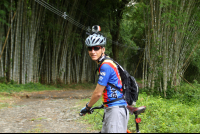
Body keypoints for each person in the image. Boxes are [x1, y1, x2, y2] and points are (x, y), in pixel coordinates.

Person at [80, 31, 129, 133]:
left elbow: (98, 93)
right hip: (112, 108)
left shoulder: (105, 65)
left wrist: (88, 107)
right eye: (90, 48)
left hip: (115, 111)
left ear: (103, 49)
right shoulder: (107, 62)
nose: (93, 51)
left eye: (96, 48)